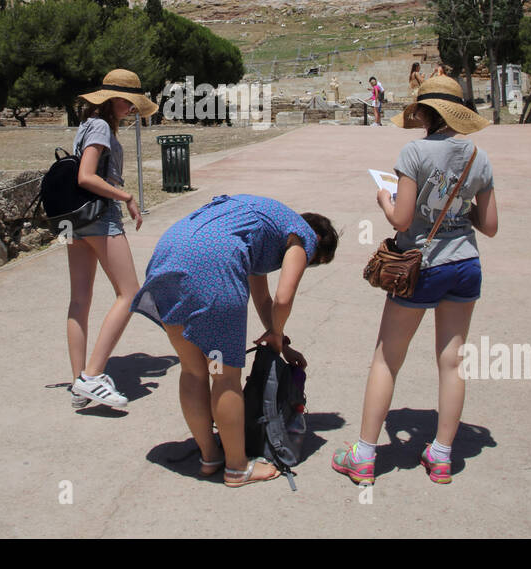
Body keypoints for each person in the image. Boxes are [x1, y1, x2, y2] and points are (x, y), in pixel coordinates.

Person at [333, 76, 498, 486]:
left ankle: (365, 456)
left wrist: (384, 201)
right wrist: (458, 211)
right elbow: (490, 225)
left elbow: (402, 220)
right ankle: (442, 456)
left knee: (388, 357)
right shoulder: (479, 156)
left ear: (423, 113)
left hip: (421, 265)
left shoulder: (414, 151)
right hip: (466, 263)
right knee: (453, 359)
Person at [131, 195, 338, 486]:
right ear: (316, 240)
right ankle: (237, 467)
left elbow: (263, 298)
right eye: (313, 261)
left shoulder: (259, 224)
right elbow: (283, 298)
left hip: (169, 255)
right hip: (213, 269)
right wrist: (276, 334)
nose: (307, 263)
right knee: (224, 377)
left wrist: (281, 341)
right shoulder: (302, 236)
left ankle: (210, 456)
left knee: (193, 369)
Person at [64, 69, 157, 409]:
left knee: (79, 300)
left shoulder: (87, 125)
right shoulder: (101, 127)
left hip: (75, 222)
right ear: (115, 100)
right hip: (100, 219)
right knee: (130, 293)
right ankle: (92, 375)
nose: (132, 109)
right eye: (130, 103)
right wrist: (126, 197)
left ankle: (79, 384)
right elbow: (86, 176)